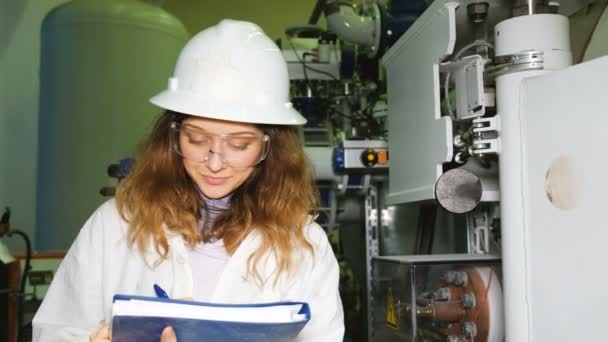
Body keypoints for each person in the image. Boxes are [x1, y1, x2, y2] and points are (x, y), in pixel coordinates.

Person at [32, 19, 344, 341]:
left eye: (239, 145)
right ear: (173, 135)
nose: (214, 162)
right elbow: (56, 330)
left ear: (270, 146)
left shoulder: (305, 244)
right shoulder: (116, 223)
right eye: (196, 139)